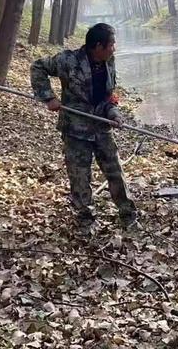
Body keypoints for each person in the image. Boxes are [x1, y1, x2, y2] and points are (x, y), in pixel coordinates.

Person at [30, 23, 137, 230]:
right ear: (98, 46)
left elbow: (108, 95)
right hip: (76, 130)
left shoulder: (109, 61)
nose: (114, 48)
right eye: (111, 44)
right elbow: (38, 67)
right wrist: (48, 97)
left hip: (101, 127)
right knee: (80, 177)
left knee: (115, 172)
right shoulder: (68, 60)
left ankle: (128, 214)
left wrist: (113, 112)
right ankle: (85, 219)